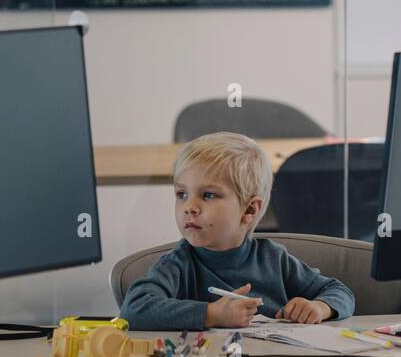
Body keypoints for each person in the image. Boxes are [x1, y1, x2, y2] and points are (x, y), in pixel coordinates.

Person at [119, 132, 355, 329]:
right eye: (182, 194)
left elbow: (339, 291)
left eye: (208, 195)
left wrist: (320, 307)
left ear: (249, 209)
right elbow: (134, 309)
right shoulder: (177, 265)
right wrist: (212, 314)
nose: (189, 207)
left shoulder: (273, 259)